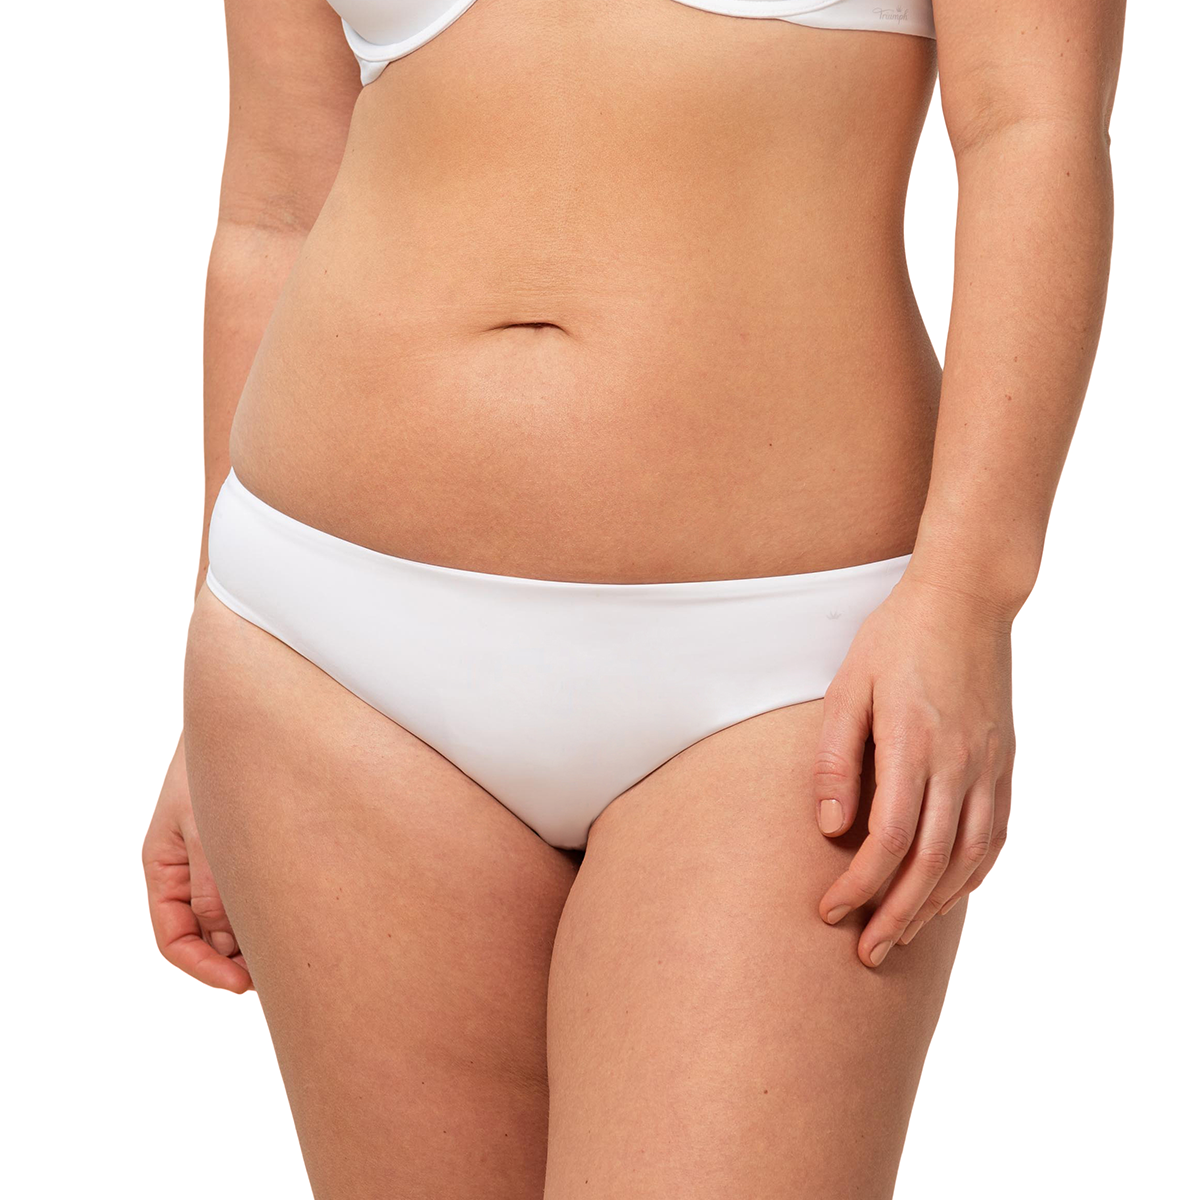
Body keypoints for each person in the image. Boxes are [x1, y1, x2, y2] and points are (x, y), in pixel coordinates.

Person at [142, 1, 1125, 1195]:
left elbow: (1034, 130)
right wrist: (206, 661)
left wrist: (970, 597)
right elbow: (275, 202)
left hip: (790, 671)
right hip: (323, 651)